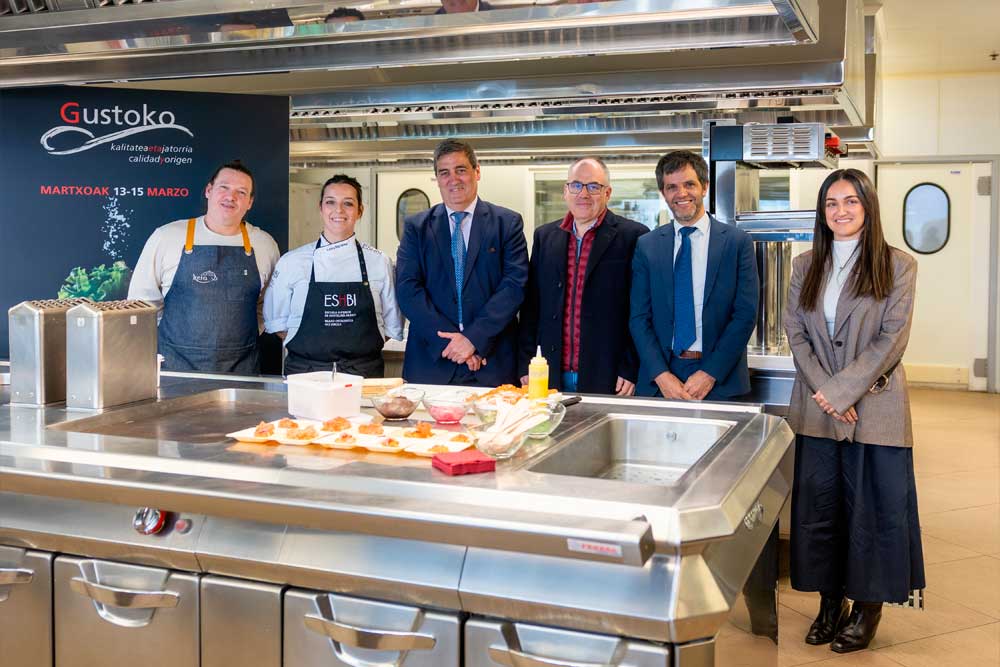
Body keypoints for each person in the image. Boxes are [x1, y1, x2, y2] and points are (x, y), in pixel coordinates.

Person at [784, 168, 924, 654]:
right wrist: (828, 393)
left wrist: (843, 392)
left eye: (850, 202)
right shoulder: (806, 265)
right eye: (831, 203)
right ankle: (830, 603)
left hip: (875, 407)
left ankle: (867, 608)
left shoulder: (898, 265)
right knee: (821, 510)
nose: (840, 211)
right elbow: (795, 333)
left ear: (868, 207)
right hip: (818, 408)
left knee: (873, 511)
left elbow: (892, 339)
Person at [395, 138, 528, 386]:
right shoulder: (416, 228)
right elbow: (407, 290)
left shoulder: (506, 224)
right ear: (437, 179)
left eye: (461, 170)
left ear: (477, 172)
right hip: (431, 364)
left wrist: (473, 339)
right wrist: (454, 344)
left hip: (491, 362)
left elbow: (513, 287)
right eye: (444, 173)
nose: (453, 179)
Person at [128, 161, 280, 374]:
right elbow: (141, 304)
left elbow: (268, 305)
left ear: (250, 202)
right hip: (175, 367)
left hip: (241, 368)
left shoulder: (265, 244)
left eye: (241, 192)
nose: (231, 197)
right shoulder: (167, 236)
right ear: (209, 190)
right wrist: (178, 339)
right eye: (224, 187)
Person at [629, 150, 757, 399]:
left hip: (720, 379)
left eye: (689, 184)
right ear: (663, 192)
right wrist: (661, 375)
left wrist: (710, 374)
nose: (681, 193)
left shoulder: (736, 242)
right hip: (660, 381)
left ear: (704, 186)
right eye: (672, 187)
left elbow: (745, 314)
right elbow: (639, 317)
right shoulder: (647, 245)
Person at [518, 157, 648, 394]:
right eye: (576, 185)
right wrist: (526, 361)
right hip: (548, 370)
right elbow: (531, 307)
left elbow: (641, 309)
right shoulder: (545, 237)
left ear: (607, 193)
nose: (583, 194)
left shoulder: (633, 236)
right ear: (565, 191)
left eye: (593, 186)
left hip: (609, 373)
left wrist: (630, 367)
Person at [263, 175, 403, 377]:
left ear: (360, 211)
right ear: (320, 208)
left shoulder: (379, 261)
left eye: (348, 203)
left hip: (363, 374)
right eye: (330, 202)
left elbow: (390, 325)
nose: (339, 210)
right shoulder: (292, 262)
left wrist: (357, 354)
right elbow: (278, 324)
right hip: (305, 374)